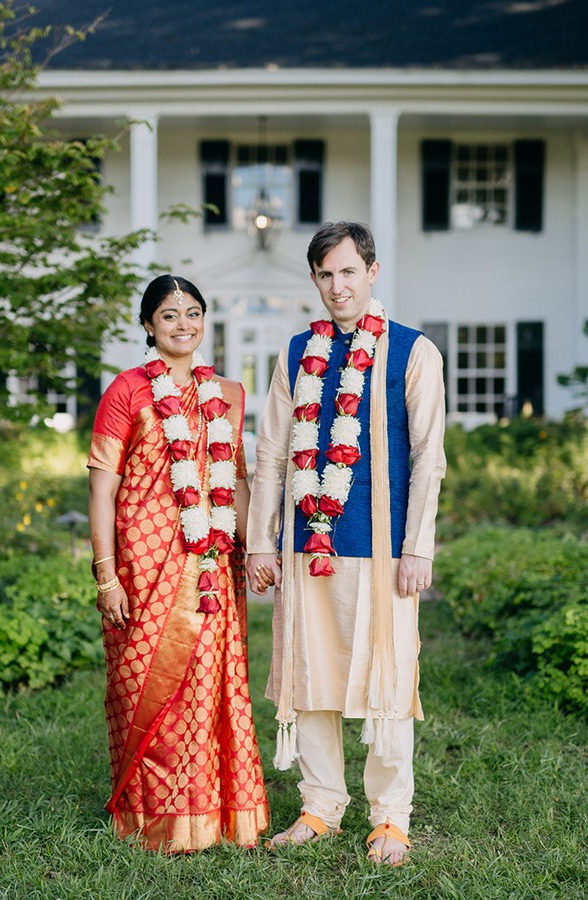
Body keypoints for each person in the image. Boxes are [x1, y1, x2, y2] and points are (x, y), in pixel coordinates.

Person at [246, 222, 446, 865]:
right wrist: (261, 543)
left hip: (383, 547)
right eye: (326, 275)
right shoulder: (296, 351)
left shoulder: (413, 351)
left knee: (387, 679)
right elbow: (272, 453)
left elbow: (428, 457)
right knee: (312, 676)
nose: (338, 286)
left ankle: (390, 818)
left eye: (349, 272)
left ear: (372, 271)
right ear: (314, 280)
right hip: (309, 545)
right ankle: (320, 806)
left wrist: (418, 546)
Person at [88, 274, 269, 852]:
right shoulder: (126, 391)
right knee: (143, 683)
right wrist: (106, 572)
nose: (183, 324)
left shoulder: (227, 394)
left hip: (213, 562)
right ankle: (151, 818)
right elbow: (101, 489)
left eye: (193, 312)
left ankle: (211, 815)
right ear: (148, 325)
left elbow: (235, 479)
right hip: (144, 564)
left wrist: (255, 549)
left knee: (208, 686)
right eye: (170, 315)